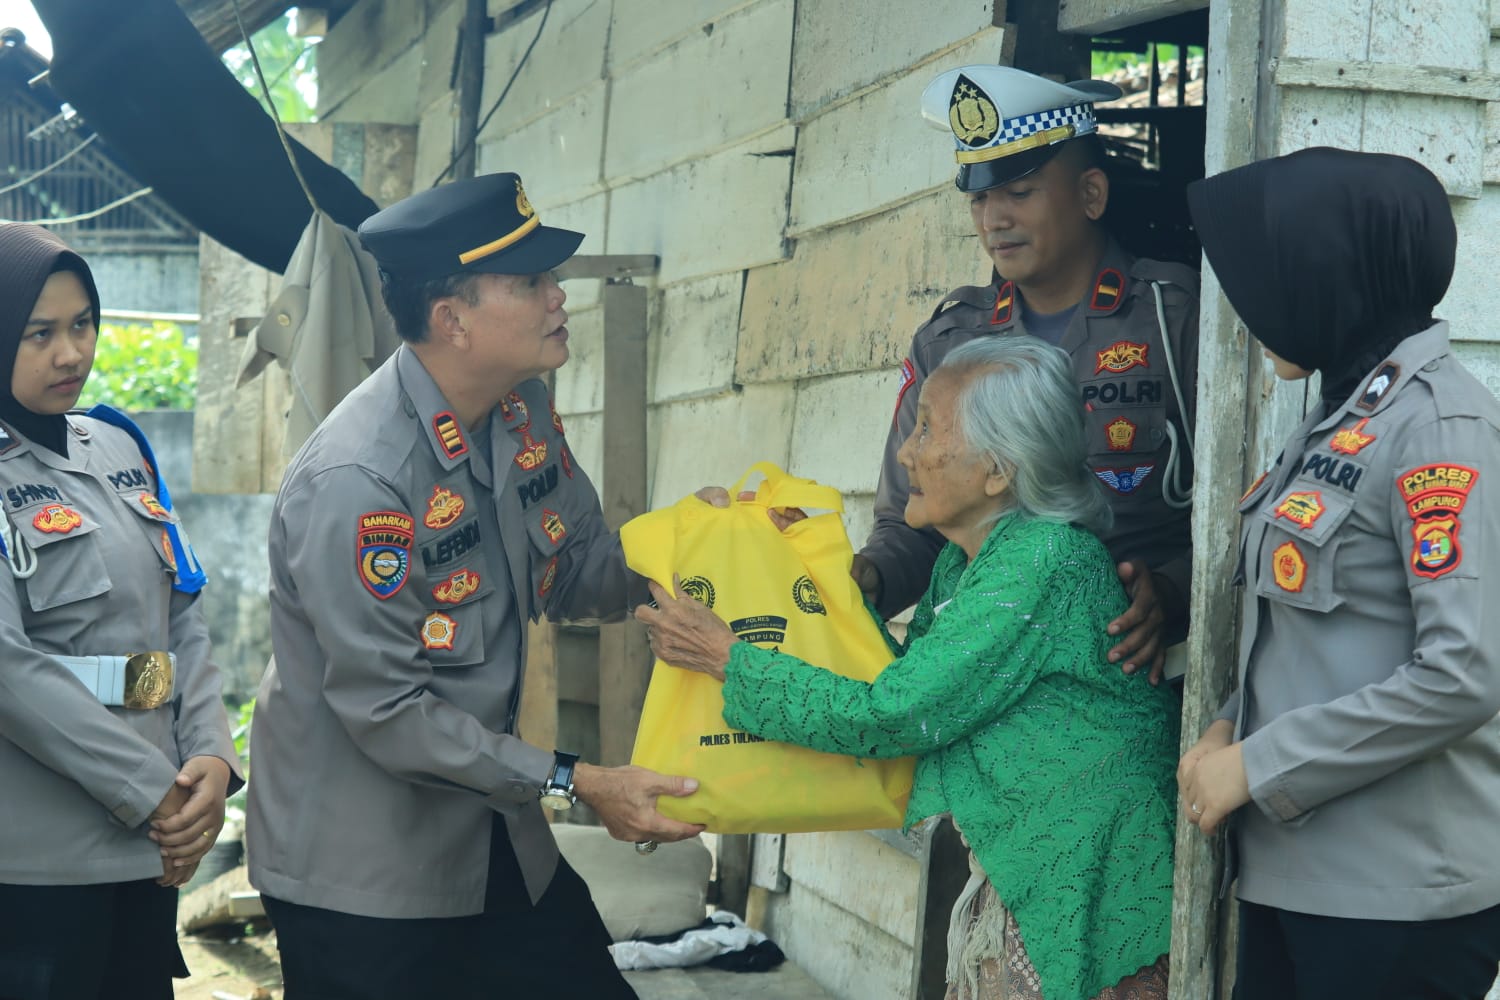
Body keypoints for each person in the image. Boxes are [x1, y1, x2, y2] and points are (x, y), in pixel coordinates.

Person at [244, 172, 705, 1000]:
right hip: (367, 874)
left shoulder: (519, 409)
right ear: (452, 319)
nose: (559, 295)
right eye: (530, 282)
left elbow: (581, 572)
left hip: (493, 829)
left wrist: (704, 544)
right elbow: (387, 713)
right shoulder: (361, 478)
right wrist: (580, 781)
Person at [639, 336, 1178, 1000]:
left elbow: (897, 712)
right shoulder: (970, 560)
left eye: (927, 429)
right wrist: (791, 567)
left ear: (998, 471)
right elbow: (896, 679)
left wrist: (730, 661)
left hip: (1088, 868)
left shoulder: (1042, 561)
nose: (906, 452)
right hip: (1033, 859)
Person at [1178, 147, 1500, 999]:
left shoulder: (1440, 429)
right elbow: (1314, 636)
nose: (1255, 311)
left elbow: (1463, 673)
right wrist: (1226, 727)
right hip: (1292, 877)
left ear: (1333, 276)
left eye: (1277, 278)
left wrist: (1256, 765)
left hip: (1393, 904)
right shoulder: (1338, 419)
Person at [856, 65, 1200, 681]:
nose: (994, 219)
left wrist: (1174, 591)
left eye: (1020, 192)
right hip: (988, 667)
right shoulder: (951, 342)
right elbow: (908, 525)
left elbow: (1241, 512)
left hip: (1140, 667)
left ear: (1091, 195)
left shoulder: (1172, 320)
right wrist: (869, 578)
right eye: (980, 197)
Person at [0, 223, 242, 1000]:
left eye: (83, 324)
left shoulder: (117, 448)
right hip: (39, 864)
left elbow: (182, 614)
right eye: (39, 334)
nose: (71, 353)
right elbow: (10, 672)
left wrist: (210, 754)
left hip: (149, 848)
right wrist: (154, 792)